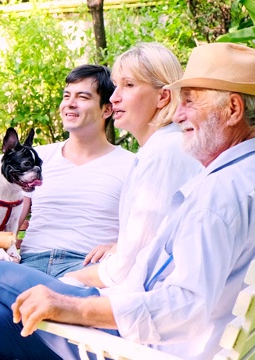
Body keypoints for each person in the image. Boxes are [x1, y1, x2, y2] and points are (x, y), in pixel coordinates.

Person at [0, 43, 255, 360]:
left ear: (232, 110)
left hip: (145, 347)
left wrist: (73, 306)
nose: (179, 114)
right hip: (175, 333)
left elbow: (185, 307)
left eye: (189, 102)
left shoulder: (217, 196)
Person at [66, 43, 202, 288]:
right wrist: (121, 246)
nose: (114, 97)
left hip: (136, 307)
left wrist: (68, 280)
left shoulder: (163, 155)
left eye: (128, 85)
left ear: (163, 96)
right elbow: (153, 240)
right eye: (116, 85)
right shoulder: (168, 146)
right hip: (147, 294)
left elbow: (126, 271)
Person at [16, 65, 135, 276]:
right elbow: (13, 217)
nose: (70, 104)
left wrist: (118, 246)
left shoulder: (130, 165)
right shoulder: (36, 158)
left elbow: (143, 229)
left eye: (82, 97)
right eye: (66, 95)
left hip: (85, 267)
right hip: (30, 263)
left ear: (106, 109)